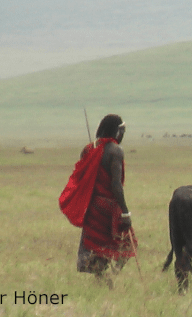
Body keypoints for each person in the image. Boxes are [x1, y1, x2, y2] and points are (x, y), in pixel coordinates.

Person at [59, 114, 136, 288]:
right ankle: (112, 277)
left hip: (93, 207)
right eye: (122, 131)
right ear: (116, 131)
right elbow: (116, 185)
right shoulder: (116, 151)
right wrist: (125, 211)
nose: (123, 135)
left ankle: (101, 280)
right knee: (126, 245)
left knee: (96, 246)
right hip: (110, 207)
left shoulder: (88, 149)